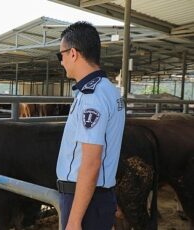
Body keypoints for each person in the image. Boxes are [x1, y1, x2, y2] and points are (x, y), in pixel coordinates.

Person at [55, 22, 125, 229]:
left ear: (73, 53)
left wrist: (75, 220)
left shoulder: (91, 97)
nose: (61, 62)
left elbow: (91, 161)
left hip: (85, 200)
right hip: (96, 198)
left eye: (61, 55)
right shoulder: (109, 91)